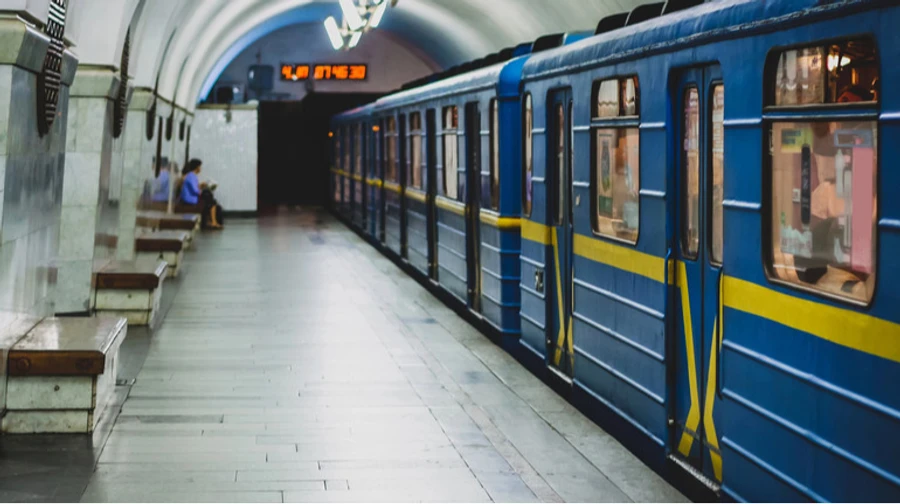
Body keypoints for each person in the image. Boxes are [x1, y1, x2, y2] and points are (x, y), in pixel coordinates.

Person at [181, 159, 223, 229]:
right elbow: (195, 190)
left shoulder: (191, 176)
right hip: (190, 199)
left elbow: (194, 187)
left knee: (210, 198)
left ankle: (212, 221)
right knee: (210, 199)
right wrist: (200, 189)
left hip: (191, 197)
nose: (200, 169)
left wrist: (201, 186)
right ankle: (213, 222)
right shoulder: (191, 176)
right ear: (197, 167)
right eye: (200, 167)